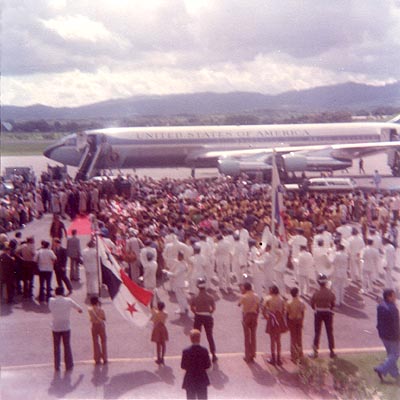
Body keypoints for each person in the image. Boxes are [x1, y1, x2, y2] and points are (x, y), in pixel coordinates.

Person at [49, 286, 83, 371]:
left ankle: (57, 366)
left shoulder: (51, 301)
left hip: (55, 327)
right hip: (66, 327)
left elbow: (51, 307)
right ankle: (69, 365)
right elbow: (80, 309)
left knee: (56, 347)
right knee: (67, 346)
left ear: (55, 293)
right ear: (63, 292)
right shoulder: (68, 301)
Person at [374, 289, 400, 384]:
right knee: (396, 354)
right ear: (389, 297)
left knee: (391, 354)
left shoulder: (380, 306)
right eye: (394, 296)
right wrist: (398, 335)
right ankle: (381, 368)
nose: (395, 297)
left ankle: (395, 374)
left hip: (383, 335)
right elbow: (396, 324)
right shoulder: (393, 308)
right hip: (392, 336)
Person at [190, 277, 217, 362]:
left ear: (198, 286)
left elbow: (192, 307)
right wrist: (209, 313)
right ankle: (213, 354)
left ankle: (195, 355)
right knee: (209, 336)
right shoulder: (210, 297)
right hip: (207, 316)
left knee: (196, 336)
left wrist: (196, 312)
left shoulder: (195, 297)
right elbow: (213, 308)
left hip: (198, 316)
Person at [310, 273, 336, 359]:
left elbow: (312, 303)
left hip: (319, 312)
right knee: (329, 332)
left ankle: (315, 351)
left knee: (317, 332)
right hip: (328, 313)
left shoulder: (316, 293)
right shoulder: (330, 293)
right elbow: (333, 303)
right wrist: (330, 309)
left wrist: (316, 308)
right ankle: (332, 351)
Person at [181, 329, 211, 400]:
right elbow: (208, 365)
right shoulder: (204, 350)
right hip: (202, 378)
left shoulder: (186, 351)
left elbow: (183, 366)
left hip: (190, 378)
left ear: (191, 338)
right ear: (199, 338)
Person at [262, 284, 287, 366]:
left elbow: (263, 309)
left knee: (272, 340)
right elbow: (284, 311)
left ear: (271, 291)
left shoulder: (268, 298)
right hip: (279, 319)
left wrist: (266, 317)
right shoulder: (281, 299)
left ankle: (273, 358)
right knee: (278, 340)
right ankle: (278, 359)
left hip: (272, 319)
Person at [238, 281, 260, 363]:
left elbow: (239, 304)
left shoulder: (244, 296)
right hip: (254, 316)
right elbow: (258, 308)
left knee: (247, 337)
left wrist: (241, 293)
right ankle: (253, 354)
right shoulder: (256, 296)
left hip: (246, 316)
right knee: (253, 336)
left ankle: (247, 356)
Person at [286, 287, 306, 363]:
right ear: (297, 293)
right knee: (299, 338)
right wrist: (302, 321)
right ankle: (300, 354)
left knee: (293, 338)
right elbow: (303, 312)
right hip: (299, 320)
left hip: (291, 320)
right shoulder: (301, 302)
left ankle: (294, 356)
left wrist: (287, 323)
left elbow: (287, 314)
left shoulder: (289, 302)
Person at [88, 296, 107, 365]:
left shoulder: (90, 310)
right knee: (103, 341)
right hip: (101, 325)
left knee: (95, 342)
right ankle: (105, 358)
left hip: (94, 325)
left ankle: (97, 358)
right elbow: (104, 318)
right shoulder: (101, 310)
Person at [151, 300, 168, 365]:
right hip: (163, 328)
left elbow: (152, 307)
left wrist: (152, 299)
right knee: (163, 344)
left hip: (157, 329)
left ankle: (158, 358)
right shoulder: (165, 314)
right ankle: (162, 357)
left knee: (158, 344)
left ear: (158, 307)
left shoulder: (156, 313)